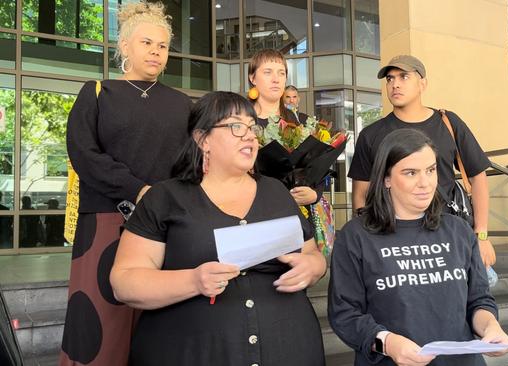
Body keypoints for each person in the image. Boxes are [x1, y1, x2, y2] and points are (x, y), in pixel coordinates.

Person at [110, 91, 327, 365]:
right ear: (203, 139)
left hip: (290, 347)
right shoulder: (165, 199)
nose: (249, 135)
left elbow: (313, 256)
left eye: (252, 127)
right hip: (191, 352)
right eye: (236, 126)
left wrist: (313, 268)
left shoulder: (276, 192)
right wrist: (194, 281)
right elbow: (124, 283)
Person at [61, 1, 192, 365]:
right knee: (100, 319)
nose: (155, 51)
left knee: (159, 319)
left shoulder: (182, 104)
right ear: (125, 47)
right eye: (147, 42)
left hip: (166, 222)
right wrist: (138, 190)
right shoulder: (98, 93)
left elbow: (190, 161)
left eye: (163, 46)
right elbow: (84, 155)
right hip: (104, 221)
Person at [329, 129, 508, 366]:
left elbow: (479, 300)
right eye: (410, 173)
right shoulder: (356, 237)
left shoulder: (459, 231)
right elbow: (345, 314)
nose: (425, 183)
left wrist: (491, 327)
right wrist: (387, 342)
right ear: (386, 178)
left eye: (431, 170)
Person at [348, 55, 496, 269]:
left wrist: (481, 235)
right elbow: (361, 194)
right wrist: (367, 239)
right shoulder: (371, 135)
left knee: (460, 297)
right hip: (392, 239)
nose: (395, 84)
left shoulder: (448, 123)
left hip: (445, 234)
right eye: (390, 79)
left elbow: (478, 177)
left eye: (404, 77)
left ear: (422, 84)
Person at [248, 49, 323, 223]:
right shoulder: (242, 122)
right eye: (267, 72)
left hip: (297, 214)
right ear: (252, 78)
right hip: (254, 212)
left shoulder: (302, 122)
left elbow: (317, 167)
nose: (276, 79)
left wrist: (314, 193)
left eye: (281, 73)